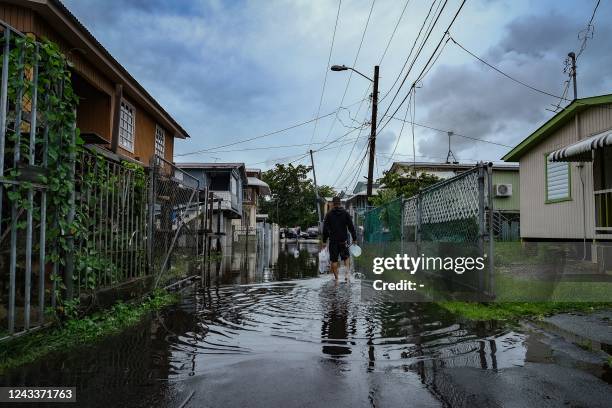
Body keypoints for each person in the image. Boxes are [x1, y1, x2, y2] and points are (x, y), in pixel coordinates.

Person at [321, 196, 357, 282]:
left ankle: (336, 279)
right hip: (343, 240)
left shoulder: (329, 214)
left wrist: (324, 241)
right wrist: (354, 238)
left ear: (333, 204)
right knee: (346, 257)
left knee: (334, 260)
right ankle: (347, 274)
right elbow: (351, 227)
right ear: (340, 203)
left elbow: (325, 229)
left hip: (333, 241)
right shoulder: (345, 213)